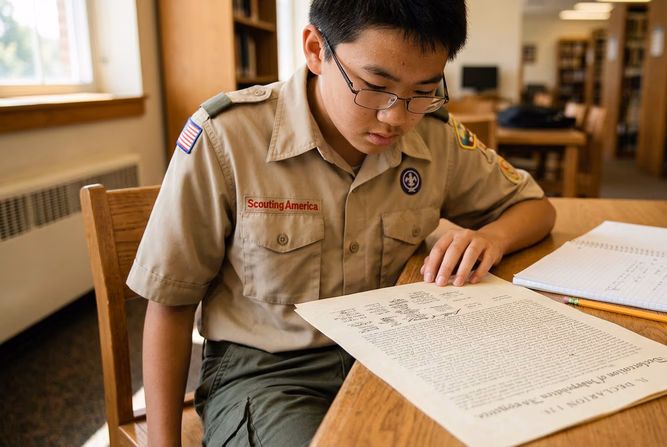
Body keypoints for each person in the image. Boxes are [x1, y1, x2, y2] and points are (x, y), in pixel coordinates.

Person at [128, 0, 556, 445]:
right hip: (270, 371)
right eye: (375, 87)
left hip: (404, 356)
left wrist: (492, 237)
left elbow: (536, 207)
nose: (396, 117)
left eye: (423, 91)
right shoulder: (227, 138)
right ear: (316, 49)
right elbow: (170, 304)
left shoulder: (435, 135)